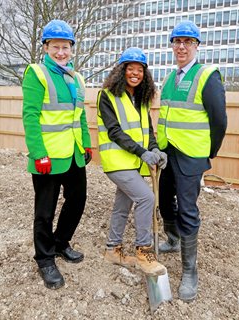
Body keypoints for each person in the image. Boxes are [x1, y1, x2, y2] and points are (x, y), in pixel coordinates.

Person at [157, 21, 227, 301]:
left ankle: (189, 271)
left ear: (197, 46)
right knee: (164, 202)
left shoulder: (207, 76)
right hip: (169, 153)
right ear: (172, 46)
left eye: (188, 42)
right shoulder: (169, 79)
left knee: (187, 209)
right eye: (177, 42)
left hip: (191, 156)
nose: (182, 47)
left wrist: (209, 151)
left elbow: (219, 120)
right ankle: (173, 240)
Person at [22, 20, 92, 289]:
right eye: (55, 46)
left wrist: (85, 144)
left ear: (72, 49)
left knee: (77, 200)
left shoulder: (77, 78)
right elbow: (30, 116)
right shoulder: (36, 74)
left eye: (65, 47)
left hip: (74, 154)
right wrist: (38, 153)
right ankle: (45, 258)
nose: (61, 52)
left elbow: (80, 116)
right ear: (46, 47)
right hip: (48, 158)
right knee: (45, 212)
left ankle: (61, 243)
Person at [97, 47, 168, 276]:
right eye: (131, 69)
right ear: (121, 71)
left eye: (140, 70)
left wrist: (156, 150)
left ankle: (113, 249)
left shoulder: (141, 100)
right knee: (147, 198)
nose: (135, 73)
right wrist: (142, 153)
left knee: (123, 205)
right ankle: (143, 251)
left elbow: (148, 131)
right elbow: (114, 131)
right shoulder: (107, 96)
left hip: (133, 161)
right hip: (117, 162)